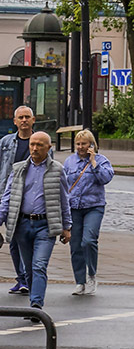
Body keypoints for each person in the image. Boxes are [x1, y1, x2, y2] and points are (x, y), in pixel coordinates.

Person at [0, 132, 72, 308]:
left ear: (48, 148)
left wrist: (67, 226)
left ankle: (36, 304)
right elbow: (7, 198)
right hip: (22, 225)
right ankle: (34, 298)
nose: (34, 148)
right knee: (30, 268)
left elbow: (64, 199)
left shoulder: (57, 169)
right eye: (32, 144)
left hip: (45, 226)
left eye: (39, 145)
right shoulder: (18, 169)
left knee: (39, 265)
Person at [62, 129, 112, 296]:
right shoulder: (69, 162)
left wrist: (93, 163)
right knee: (75, 245)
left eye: (84, 144)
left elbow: (106, 178)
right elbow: (63, 184)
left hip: (94, 206)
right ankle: (79, 281)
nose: (81, 147)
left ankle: (91, 274)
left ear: (92, 145)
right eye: (78, 144)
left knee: (88, 241)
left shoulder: (101, 160)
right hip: (74, 207)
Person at [0, 105, 37, 295]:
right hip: (11, 197)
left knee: (28, 240)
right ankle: (21, 278)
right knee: (13, 240)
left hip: (32, 198)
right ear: (15, 121)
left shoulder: (40, 141)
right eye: (20, 117)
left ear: (33, 120)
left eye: (27, 117)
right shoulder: (6, 142)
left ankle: (30, 277)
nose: (24, 120)